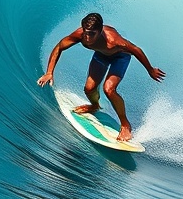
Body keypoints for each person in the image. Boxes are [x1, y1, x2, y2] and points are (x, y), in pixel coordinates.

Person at [37, 13, 166, 141]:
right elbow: (59, 47)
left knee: (108, 88)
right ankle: (95, 105)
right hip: (101, 55)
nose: (87, 38)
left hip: (120, 58)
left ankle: (125, 124)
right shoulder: (80, 34)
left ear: (100, 31)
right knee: (89, 89)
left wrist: (150, 69)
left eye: (92, 34)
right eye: (86, 33)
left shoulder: (113, 41)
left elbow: (136, 50)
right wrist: (49, 72)